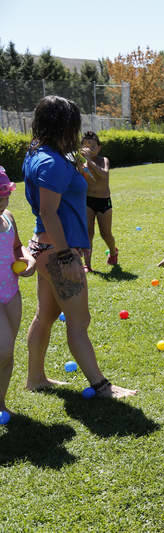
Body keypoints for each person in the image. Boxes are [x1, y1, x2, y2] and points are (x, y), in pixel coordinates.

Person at [23, 96, 136, 398]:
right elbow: (48, 212)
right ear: (65, 125)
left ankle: (36, 379)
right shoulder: (51, 163)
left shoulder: (39, 154)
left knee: (44, 316)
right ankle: (102, 386)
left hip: (43, 247)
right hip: (57, 253)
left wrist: (74, 160)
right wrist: (65, 255)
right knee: (78, 321)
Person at [0, 167, 36, 416]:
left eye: (6, 196)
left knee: (8, 351)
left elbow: (17, 246)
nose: (5, 201)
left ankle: (0, 404)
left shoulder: (8, 217)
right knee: (3, 349)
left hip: (11, 292)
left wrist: (28, 259)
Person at [79, 131, 117, 272]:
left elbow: (104, 175)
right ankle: (87, 265)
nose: (89, 149)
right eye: (86, 146)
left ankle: (113, 252)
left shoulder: (103, 160)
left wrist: (89, 161)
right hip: (88, 200)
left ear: (99, 147)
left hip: (104, 201)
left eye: (93, 146)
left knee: (105, 233)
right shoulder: (80, 162)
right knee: (88, 233)